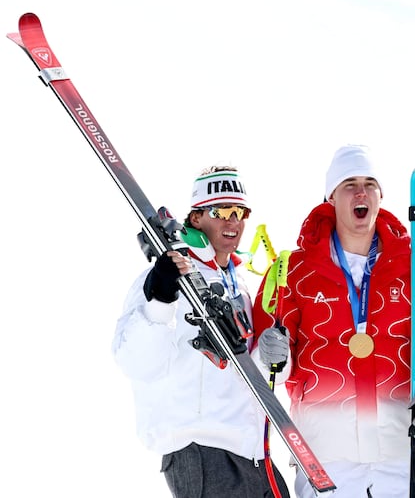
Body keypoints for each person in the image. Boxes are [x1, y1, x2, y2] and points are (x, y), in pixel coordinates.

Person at [251, 144, 415, 497]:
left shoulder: (414, 265)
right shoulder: (295, 271)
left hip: (402, 452)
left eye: (369, 184)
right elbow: (268, 370)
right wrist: (272, 355)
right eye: (349, 184)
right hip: (326, 456)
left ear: (380, 196)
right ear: (331, 197)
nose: (361, 192)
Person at [112, 165, 290, 498]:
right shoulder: (169, 274)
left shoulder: (243, 286)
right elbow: (135, 362)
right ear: (196, 218)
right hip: (202, 449)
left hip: (254, 454)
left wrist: (274, 356)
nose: (232, 220)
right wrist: (159, 301)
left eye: (240, 211)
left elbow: (247, 373)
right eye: (221, 210)